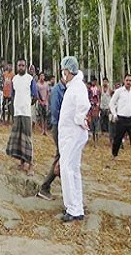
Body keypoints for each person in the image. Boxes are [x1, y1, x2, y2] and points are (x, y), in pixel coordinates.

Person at [58, 56, 90, 222]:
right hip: (71, 135)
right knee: (73, 169)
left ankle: (73, 209)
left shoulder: (77, 87)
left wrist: (80, 119)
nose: (63, 74)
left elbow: (83, 106)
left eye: (64, 70)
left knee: (67, 168)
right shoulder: (74, 86)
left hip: (73, 134)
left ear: (68, 71)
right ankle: (76, 206)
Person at [6, 58, 38, 176]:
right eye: (19, 65)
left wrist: (27, 104)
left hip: (26, 113)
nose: (21, 67)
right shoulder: (14, 79)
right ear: (17, 66)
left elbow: (35, 96)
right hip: (17, 113)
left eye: (23, 65)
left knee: (27, 138)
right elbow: (12, 95)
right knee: (19, 137)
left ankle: (30, 164)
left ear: (25, 67)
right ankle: (21, 161)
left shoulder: (30, 79)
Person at [37, 76, 66, 200]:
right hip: (59, 127)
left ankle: (49, 187)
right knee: (61, 157)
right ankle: (45, 187)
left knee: (63, 158)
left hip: (66, 128)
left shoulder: (67, 89)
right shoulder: (56, 90)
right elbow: (55, 111)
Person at [107, 74, 131, 168]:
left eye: (130, 80)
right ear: (124, 81)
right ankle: (114, 156)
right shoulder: (119, 91)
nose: (129, 82)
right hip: (121, 119)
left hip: (130, 118)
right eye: (127, 80)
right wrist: (114, 114)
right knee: (117, 139)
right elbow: (111, 103)